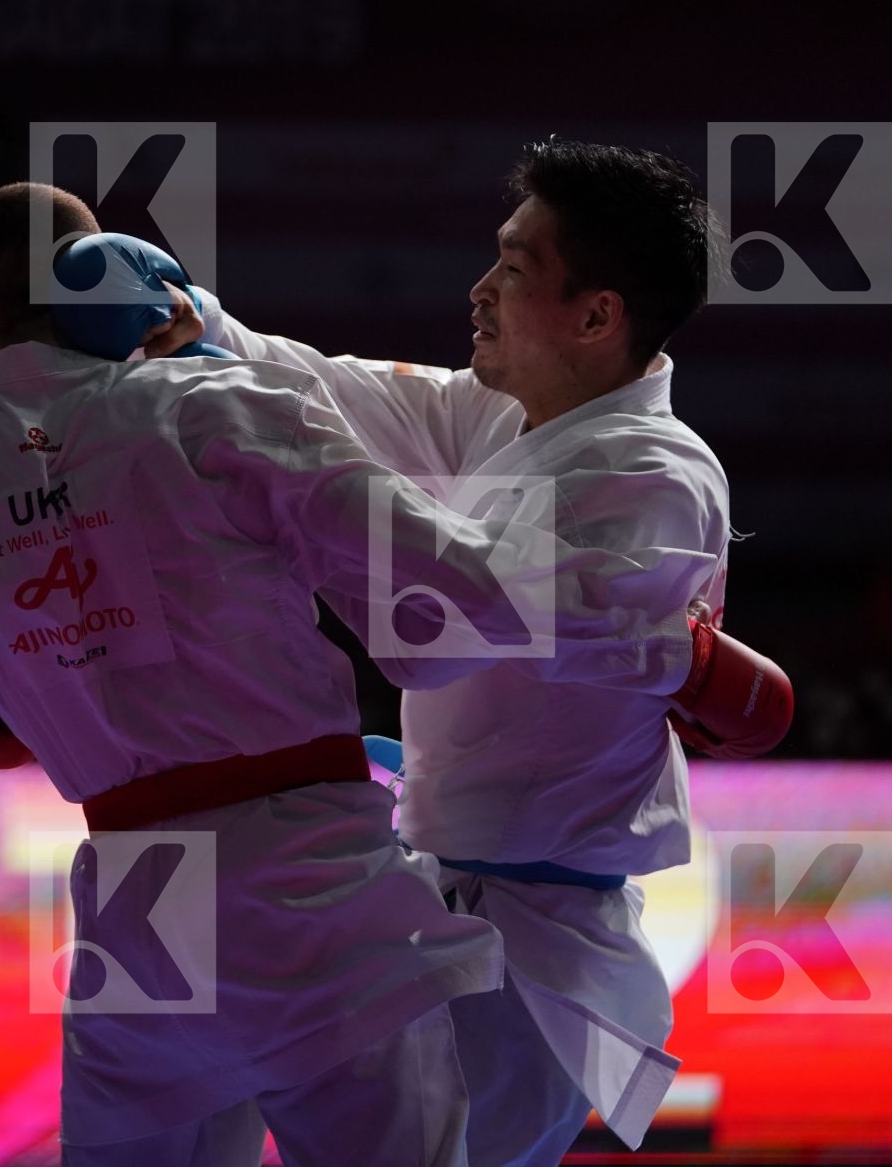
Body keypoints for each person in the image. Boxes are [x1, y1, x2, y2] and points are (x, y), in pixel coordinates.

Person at [0, 181, 715, 1167]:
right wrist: (665, 643)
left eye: (511, 266)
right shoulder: (217, 405)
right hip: (303, 881)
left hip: (134, 909)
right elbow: (451, 615)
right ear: (117, 283)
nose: (480, 289)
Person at [155, 138, 791, 1165]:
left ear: (597, 316)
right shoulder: (495, 415)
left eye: (514, 267)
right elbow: (323, 387)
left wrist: (296, 475)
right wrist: (190, 324)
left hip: (534, 950)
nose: (480, 289)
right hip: (431, 902)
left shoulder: (654, 479)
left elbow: (447, 628)